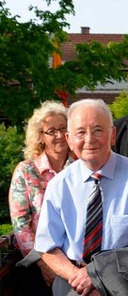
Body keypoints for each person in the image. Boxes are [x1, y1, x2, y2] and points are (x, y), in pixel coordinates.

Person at [34, 99, 128, 296]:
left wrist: (99, 274)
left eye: (98, 130)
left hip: (124, 283)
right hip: (72, 282)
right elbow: (47, 247)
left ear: (112, 135)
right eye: (80, 132)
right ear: (69, 139)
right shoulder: (59, 185)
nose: (89, 139)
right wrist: (80, 277)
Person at [9, 101, 73, 294]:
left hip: (77, 260)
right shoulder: (26, 171)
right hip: (37, 264)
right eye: (51, 131)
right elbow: (21, 225)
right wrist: (43, 263)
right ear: (40, 137)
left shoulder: (81, 168)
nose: (59, 135)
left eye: (63, 128)